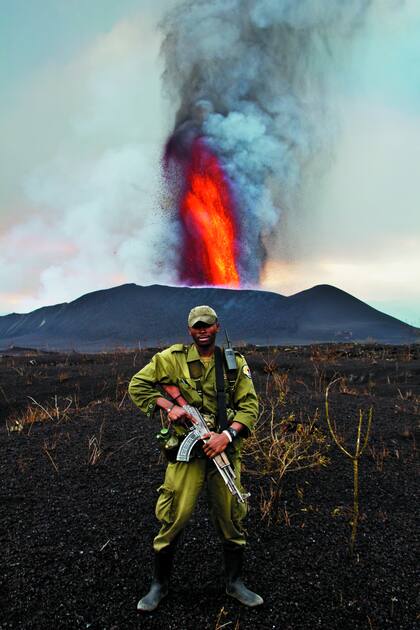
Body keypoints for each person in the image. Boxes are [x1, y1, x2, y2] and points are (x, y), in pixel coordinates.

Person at [128, 305, 263, 612]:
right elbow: (137, 385)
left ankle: (235, 583)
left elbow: (250, 406)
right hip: (186, 456)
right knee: (174, 515)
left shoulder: (233, 364)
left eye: (208, 325)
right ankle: (158, 586)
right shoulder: (170, 360)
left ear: (217, 327)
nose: (202, 330)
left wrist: (225, 436)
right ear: (189, 330)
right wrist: (168, 406)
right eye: (196, 326)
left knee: (231, 515)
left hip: (222, 451)